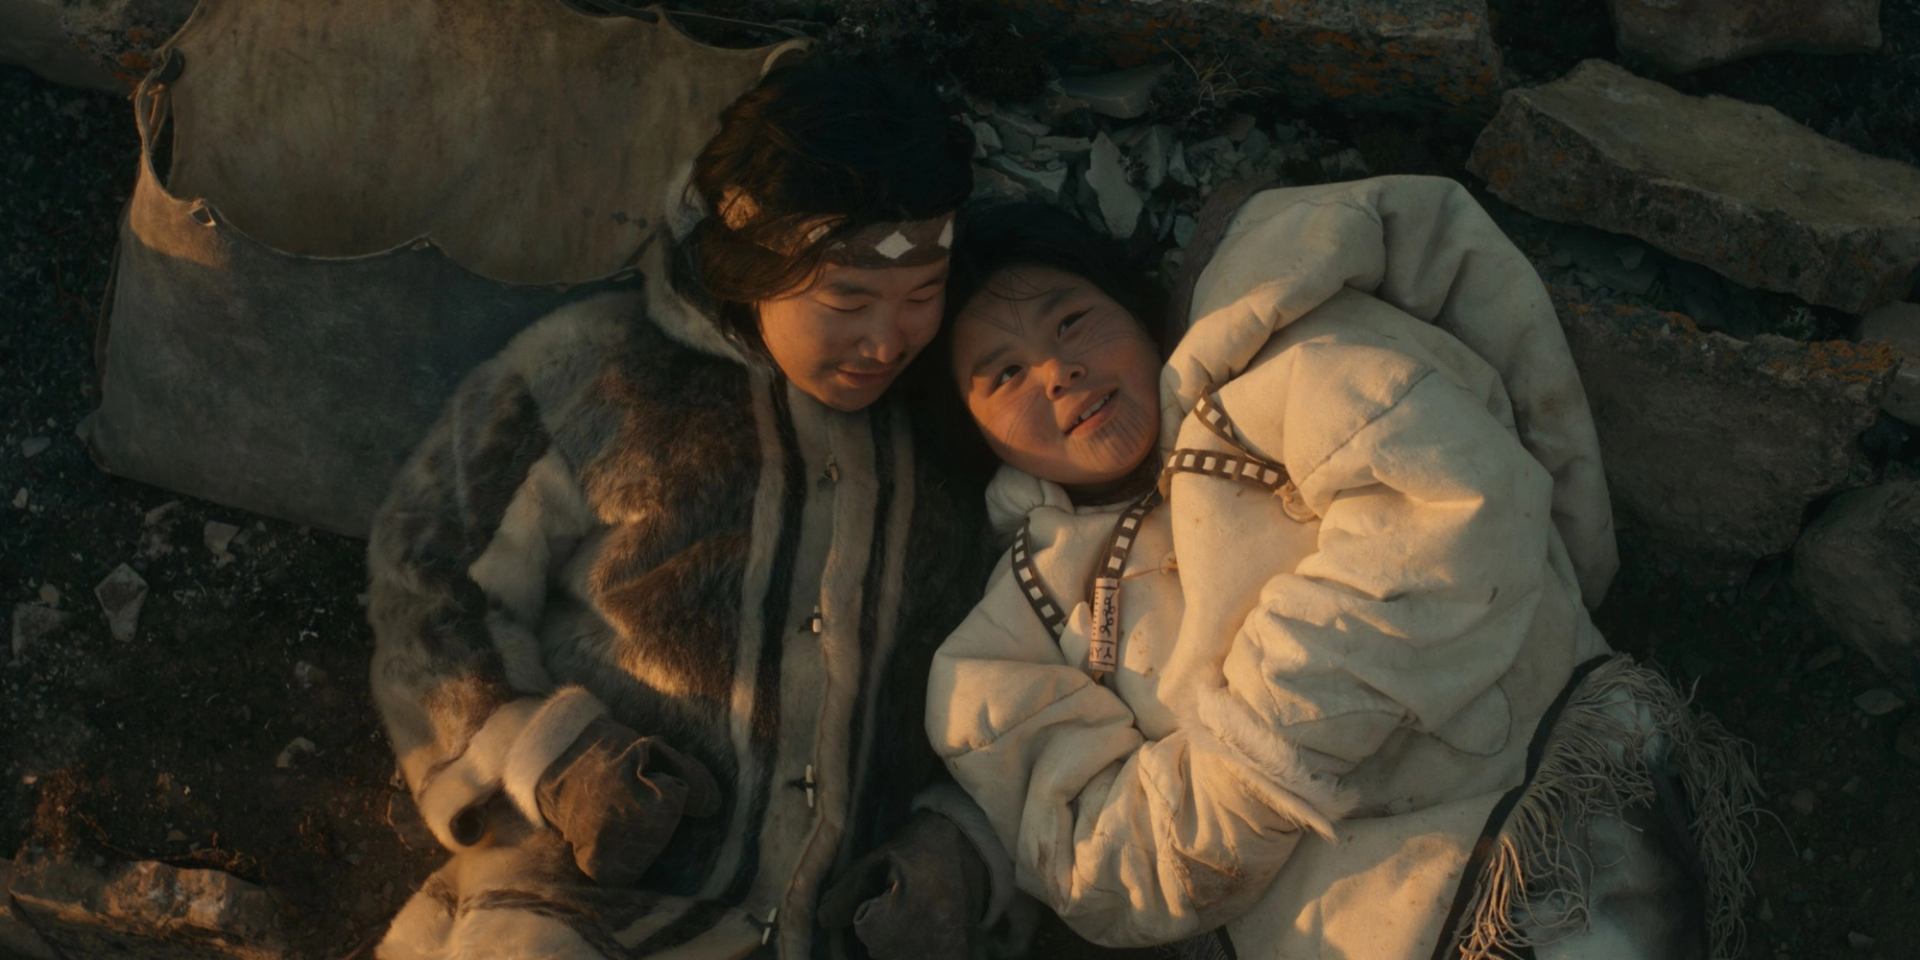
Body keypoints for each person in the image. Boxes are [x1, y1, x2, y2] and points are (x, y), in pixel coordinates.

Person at [923, 182, 1758, 959]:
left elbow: (1448, 509)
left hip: (1542, 809)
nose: (1056, 371)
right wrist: (1247, 774)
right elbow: (1093, 862)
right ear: (974, 437)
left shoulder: (1286, 371)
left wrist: (1271, 726)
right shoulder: (1012, 638)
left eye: (1071, 321)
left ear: (1141, 318)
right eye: (1003, 374)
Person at [366, 58, 1023, 960]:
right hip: (586, 910)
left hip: (853, 929)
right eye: (848, 298)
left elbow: (1051, 635)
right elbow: (427, 573)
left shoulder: (967, 413)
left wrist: (965, 845)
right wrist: (543, 755)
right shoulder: (588, 376)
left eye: (921, 296)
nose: (887, 340)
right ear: (752, 271)